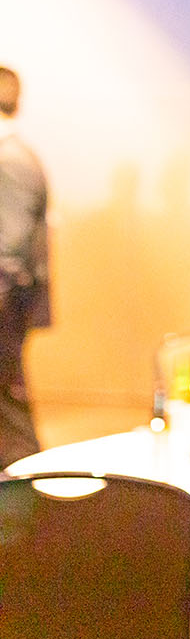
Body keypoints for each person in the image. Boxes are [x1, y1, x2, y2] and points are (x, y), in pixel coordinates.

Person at [0, 65, 48, 468]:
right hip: (9, 297)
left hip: (4, 298)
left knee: (8, 404)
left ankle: (25, 487)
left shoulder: (9, 158)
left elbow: (9, 247)